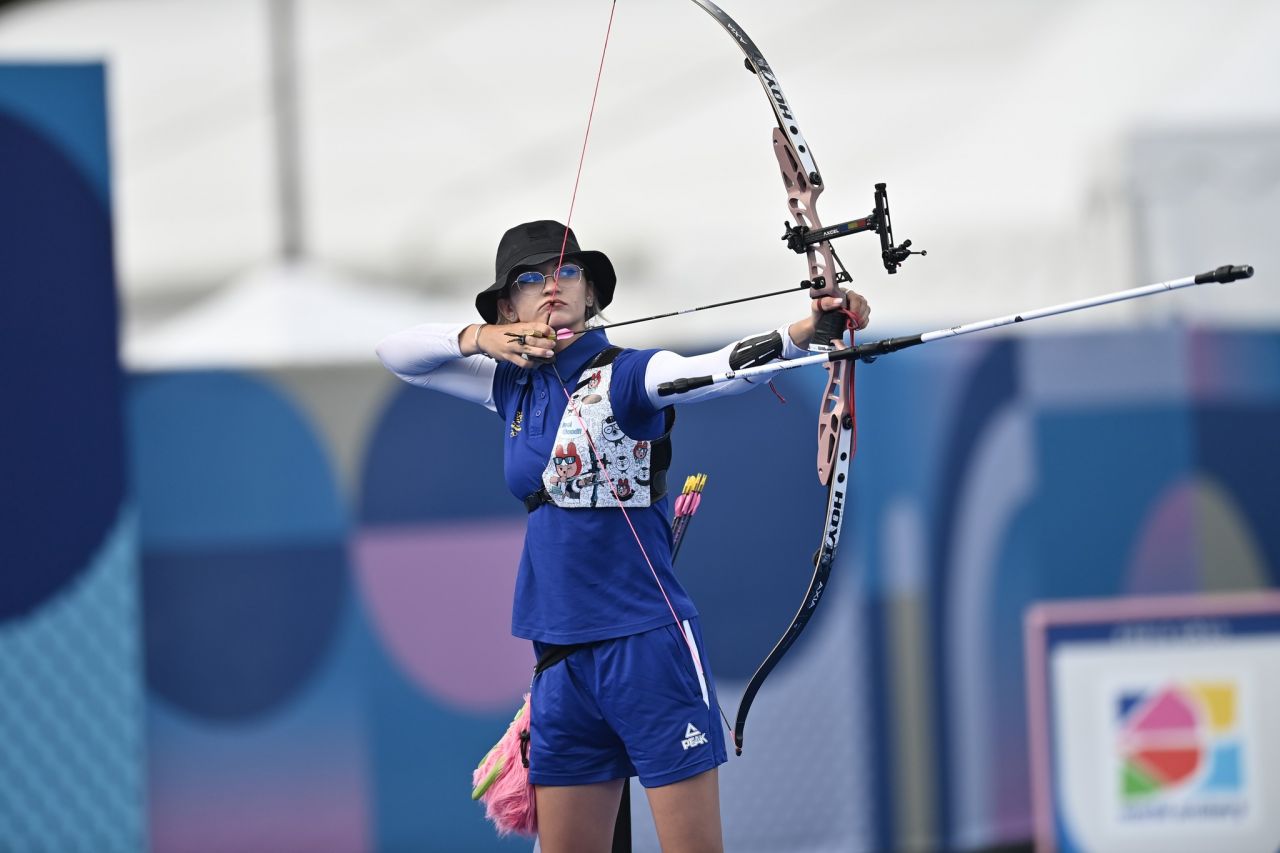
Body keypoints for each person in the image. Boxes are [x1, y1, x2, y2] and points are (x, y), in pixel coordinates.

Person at [376, 219, 869, 853]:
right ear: (508, 307)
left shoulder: (632, 374)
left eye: (566, 272)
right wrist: (481, 340)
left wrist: (809, 332)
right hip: (559, 658)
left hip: (644, 647)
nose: (551, 286)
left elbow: (716, 370)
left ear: (591, 295)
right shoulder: (508, 385)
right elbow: (398, 354)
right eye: (529, 280)